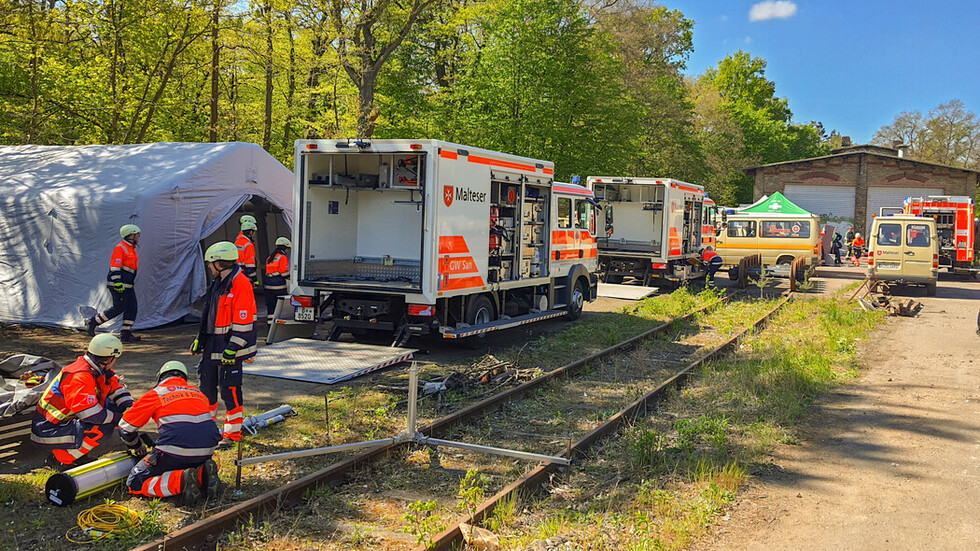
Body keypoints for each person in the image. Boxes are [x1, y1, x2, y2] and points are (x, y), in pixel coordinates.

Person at [119, 361, 222, 505]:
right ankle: (202, 475)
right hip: (207, 450)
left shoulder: (157, 393)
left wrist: (136, 446)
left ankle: (182, 481)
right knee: (182, 462)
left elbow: (125, 428)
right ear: (184, 378)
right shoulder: (198, 393)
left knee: (136, 483)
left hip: (175, 451)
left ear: (160, 377)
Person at [190, 241, 257, 446]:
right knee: (207, 388)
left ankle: (232, 434)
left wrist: (233, 349)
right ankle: (208, 431)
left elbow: (244, 323)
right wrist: (200, 340)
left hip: (229, 348)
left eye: (211, 264)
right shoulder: (219, 283)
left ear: (219, 264)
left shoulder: (240, 284)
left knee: (230, 390)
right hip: (213, 345)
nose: (209, 267)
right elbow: (210, 315)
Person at [31, 334, 132, 467]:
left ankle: (75, 454)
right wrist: (120, 418)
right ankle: (60, 459)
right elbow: (92, 415)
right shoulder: (79, 376)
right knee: (102, 427)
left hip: (62, 422)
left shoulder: (96, 369)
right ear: (110, 358)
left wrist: (130, 408)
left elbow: (115, 388)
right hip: (48, 428)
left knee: (110, 413)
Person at [86, 224, 142, 342]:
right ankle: (93, 321)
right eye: (137, 234)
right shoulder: (120, 248)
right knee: (119, 307)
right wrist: (117, 283)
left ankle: (126, 334)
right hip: (119, 284)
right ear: (130, 235)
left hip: (128, 285)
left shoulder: (131, 248)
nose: (138, 236)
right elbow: (115, 267)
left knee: (132, 308)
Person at [263, 237, 291, 322]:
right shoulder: (283, 257)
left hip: (268, 287)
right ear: (285, 248)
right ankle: (279, 326)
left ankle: (270, 325)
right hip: (279, 287)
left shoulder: (270, 257)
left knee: (271, 308)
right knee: (281, 308)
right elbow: (284, 273)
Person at [235, 221, 259, 287]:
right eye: (254, 232)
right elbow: (250, 265)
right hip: (245, 274)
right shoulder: (248, 245)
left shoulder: (237, 242)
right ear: (251, 232)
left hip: (236, 273)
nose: (254, 234)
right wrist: (255, 280)